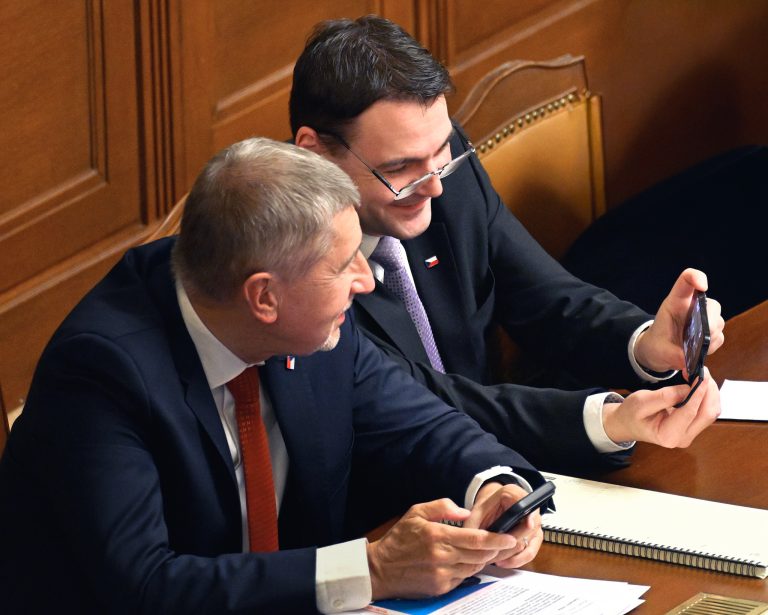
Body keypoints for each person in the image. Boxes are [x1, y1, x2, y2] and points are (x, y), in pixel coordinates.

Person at [0, 138, 550, 614]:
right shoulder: (101, 373)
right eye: (344, 265)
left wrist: (496, 487)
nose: (366, 280)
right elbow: (144, 587)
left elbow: (424, 426)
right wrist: (372, 569)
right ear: (263, 297)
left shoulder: (311, 324)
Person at [290, 15, 723, 472]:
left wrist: (647, 344)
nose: (434, 187)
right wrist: (607, 421)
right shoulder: (294, 264)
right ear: (313, 152)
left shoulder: (441, 169)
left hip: (507, 469)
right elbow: (422, 406)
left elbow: (548, 299)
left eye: (441, 153)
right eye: (400, 168)